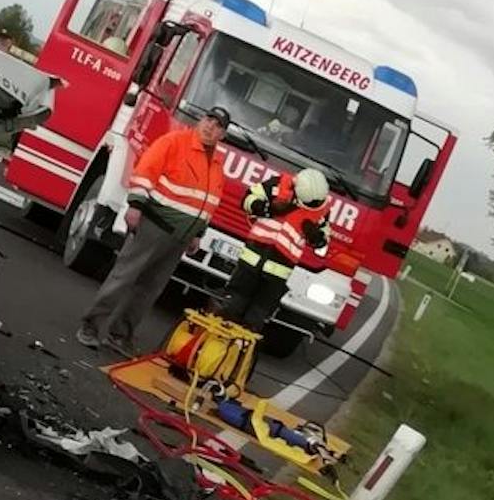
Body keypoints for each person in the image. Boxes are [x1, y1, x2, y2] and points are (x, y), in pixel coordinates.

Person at [77, 107, 229, 356]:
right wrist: (135, 206)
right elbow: (145, 172)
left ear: (223, 134)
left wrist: (198, 233)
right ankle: (91, 326)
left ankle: (120, 334)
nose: (210, 127)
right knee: (124, 277)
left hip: (178, 238)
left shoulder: (216, 163)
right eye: (208, 120)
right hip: (154, 225)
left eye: (217, 125)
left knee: (149, 288)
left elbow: (209, 201)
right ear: (200, 121)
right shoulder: (174, 142)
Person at [219, 167, 331, 333]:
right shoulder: (276, 186)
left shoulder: (321, 211)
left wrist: (317, 238)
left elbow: (323, 245)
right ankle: (213, 342)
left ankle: (240, 349)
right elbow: (247, 199)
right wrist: (263, 207)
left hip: (278, 272)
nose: (311, 206)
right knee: (231, 306)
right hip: (251, 260)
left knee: (255, 319)